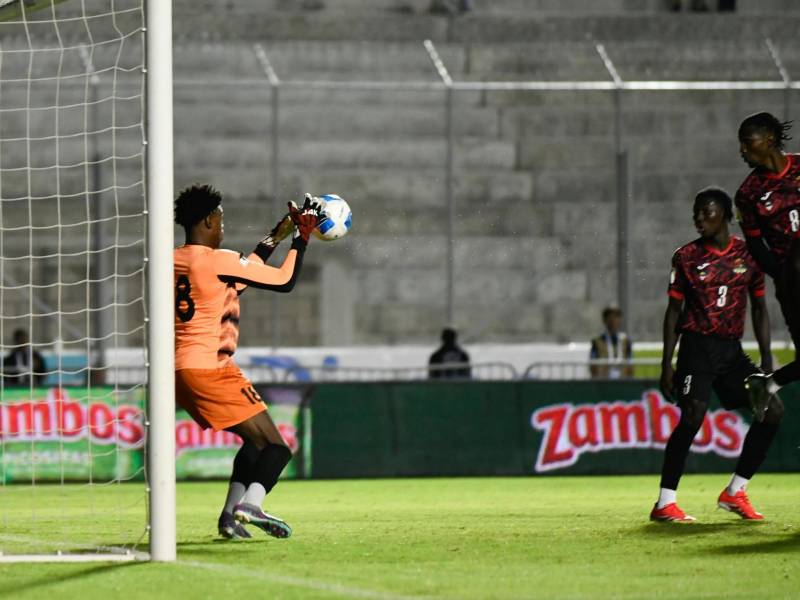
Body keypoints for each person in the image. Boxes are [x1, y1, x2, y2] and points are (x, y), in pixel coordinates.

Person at [173, 184, 323, 540]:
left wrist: (279, 232)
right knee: (276, 447)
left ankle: (229, 518)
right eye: (221, 219)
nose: (223, 226)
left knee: (254, 445)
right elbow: (284, 280)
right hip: (211, 368)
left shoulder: (175, 259)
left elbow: (242, 272)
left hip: (181, 370)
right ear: (209, 219)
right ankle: (251, 505)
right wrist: (302, 237)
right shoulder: (217, 260)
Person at [652, 187, 782, 522]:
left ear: (724, 215)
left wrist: (767, 359)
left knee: (771, 410)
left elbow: (759, 308)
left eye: (706, 212)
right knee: (692, 418)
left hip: (731, 352)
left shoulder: (748, 255)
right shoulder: (685, 257)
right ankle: (665, 502)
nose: (699, 218)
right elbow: (672, 313)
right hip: (696, 348)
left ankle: (735, 491)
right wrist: (667, 364)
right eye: (696, 212)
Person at [734, 112, 800, 420]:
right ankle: (769, 384)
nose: (743, 151)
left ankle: (769, 384)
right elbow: (756, 248)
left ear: (769, 139)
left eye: (748, 143)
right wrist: (785, 276)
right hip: (791, 284)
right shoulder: (748, 194)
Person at [589, 306, 633, 379]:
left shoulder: (626, 342)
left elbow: (630, 363)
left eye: (617, 317)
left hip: (622, 382)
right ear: (604, 320)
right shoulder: (597, 342)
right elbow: (593, 365)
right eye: (610, 318)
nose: (614, 321)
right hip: (604, 383)